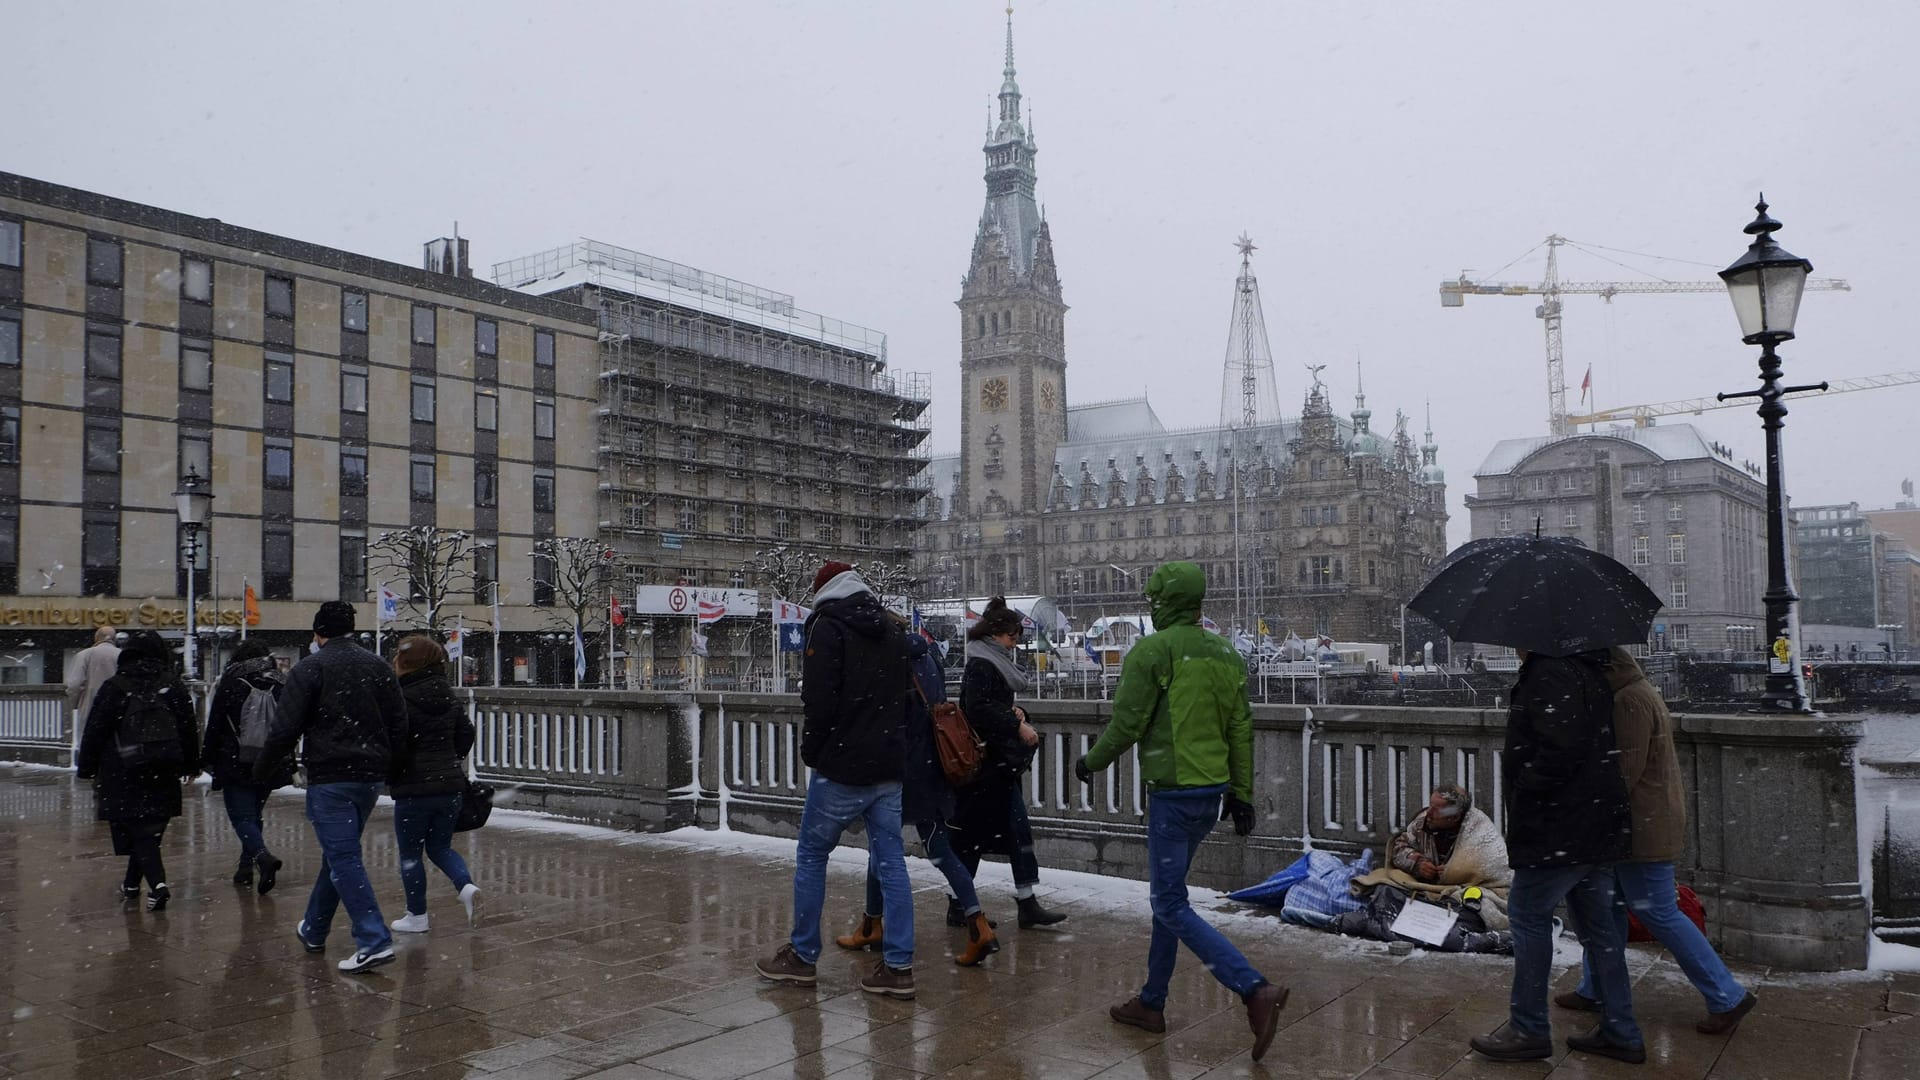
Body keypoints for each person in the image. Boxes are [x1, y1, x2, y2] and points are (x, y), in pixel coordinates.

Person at [1072, 562, 1289, 1064]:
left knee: (1170, 903)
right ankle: (1151, 1002)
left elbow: (1126, 722)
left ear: (1165, 601)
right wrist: (1242, 794)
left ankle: (1253, 987)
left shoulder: (1153, 651)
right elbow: (1240, 728)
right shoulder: (1226, 654)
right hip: (1211, 794)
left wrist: (1091, 762)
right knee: (1167, 897)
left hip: (1173, 792)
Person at [1558, 648, 1758, 1035]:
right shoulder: (1636, 691)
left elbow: (1622, 770)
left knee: (1657, 911)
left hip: (1640, 826)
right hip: (1634, 823)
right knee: (1610, 908)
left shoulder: (1627, 700)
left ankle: (1728, 994)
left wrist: (1582, 802)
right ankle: (1595, 986)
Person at [1470, 648, 1642, 1065]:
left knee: (1528, 916)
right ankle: (1621, 1030)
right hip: (1595, 822)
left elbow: (1561, 748)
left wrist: (1527, 786)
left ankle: (1528, 1028)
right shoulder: (1587, 669)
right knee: (1601, 932)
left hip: (1560, 826)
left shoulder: (1548, 672)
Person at [757, 561, 917, 998]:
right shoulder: (891, 628)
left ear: (824, 590)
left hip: (843, 767)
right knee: (891, 863)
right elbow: (904, 700)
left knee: (812, 855)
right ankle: (898, 966)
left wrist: (814, 753)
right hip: (887, 767)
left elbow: (819, 702)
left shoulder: (827, 627)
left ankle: (803, 957)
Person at [835, 617, 998, 965]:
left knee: (882, 849)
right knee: (940, 850)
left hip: (900, 772)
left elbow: (885, 723)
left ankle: (872, 925)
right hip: (934, 768)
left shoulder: (890, 665)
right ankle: (977, 922)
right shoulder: (928, 657)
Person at [258, 601, 409, 974]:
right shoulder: (377, 666)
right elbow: (399, 723)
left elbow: (285, 728)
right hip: (370, 776)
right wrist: (391, 766)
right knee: (338, 853)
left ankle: (373, 940)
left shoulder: (310, 668)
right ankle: (314, 927)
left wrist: (261, 770)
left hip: (331, 776)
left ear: (318, 633)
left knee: (343, 858)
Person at [948, 598, 1068, 929]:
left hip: (995, 765)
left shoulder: (989, 661)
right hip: (989, 766)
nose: (1016, 642)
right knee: (999, 832)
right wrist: (1017, 724)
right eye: (1012, 636)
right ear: (995, 634)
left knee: (986, 834)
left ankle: (973, 903)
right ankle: (999, 903)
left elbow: (987, 706)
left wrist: (1015, 714)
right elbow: (978, 708)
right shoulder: (983, 665)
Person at [74, 630, 199, 912]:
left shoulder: (116, 686)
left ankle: (158, 885)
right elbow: (188, 728)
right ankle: (131, 884)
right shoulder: (173, 685)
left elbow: (96, 729)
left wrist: (88, 766)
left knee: (138, 829)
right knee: (150, 830)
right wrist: (191, 764)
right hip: (164, 766)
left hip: (124, 768)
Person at [386, 633, 480, 933]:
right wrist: (450, 759)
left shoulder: (400, 697)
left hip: (414, 788)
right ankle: (466, 886)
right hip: (450, 785)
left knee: (410, 854)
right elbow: (467, 732)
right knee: (440, 847)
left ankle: (417, 916)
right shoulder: (447, 694)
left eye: (398, 657)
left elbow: (395, 742)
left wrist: (394, 771)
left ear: (408, 663)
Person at [202, 639, 294, 894]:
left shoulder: (231, 681)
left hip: (235, 758)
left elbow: (216, 722)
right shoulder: (280, 682)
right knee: (254, 812)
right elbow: (289, 722)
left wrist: (205, 758)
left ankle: (262, 858)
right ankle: (245, 867)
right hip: (269, 759)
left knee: (241, 816)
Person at [1386, 784, 1510, 889]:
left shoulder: (1479, 830)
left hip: (1464, 890)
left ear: (1455, 817)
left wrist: (1454, 872)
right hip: (1426, 888)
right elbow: (1398, 848)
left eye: (1437, 810)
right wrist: (1417, 863)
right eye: (1430, 805)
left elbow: (1494, 867)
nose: (1429, 813)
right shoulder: (1422, 822)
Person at [66, 625, 121, 732]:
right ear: (114, 639)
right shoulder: (122, 655)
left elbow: (74, 685)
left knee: (90, 742)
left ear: (96, 638)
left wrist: (75, 704)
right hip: (117, 709)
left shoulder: (84, 655)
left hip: (90, 707)